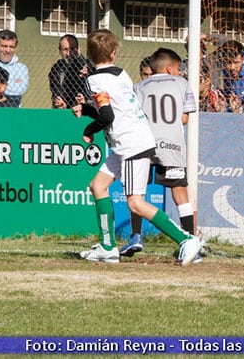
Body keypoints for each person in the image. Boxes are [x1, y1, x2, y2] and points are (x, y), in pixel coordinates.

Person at [72, 29, 201, 265]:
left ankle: (186, 239)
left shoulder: (94, 80)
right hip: (128, 143)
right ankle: (108, 247)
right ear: (113, 54)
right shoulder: (121, 74)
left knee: (135, 203)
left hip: (131, 144)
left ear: (90, 55)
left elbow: (107, 116)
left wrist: (88, 131)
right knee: (98, 186)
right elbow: (114, 109)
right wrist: (88, 109)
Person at [123, 48, 199, 258]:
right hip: (172, 146)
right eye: (177, 68)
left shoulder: (139, 87)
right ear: (169, 68)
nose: (179, 72)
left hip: (143, 144)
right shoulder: (182, 84)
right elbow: (184, 119)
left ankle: (136, 236)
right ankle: (191, 241)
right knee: (179, 192)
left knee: (137, 192)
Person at [49, 34, 93, 109]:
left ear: (78, 49)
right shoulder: (56, 68)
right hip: (63, 106)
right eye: (65, 49)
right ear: (60, 50)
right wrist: (59, 100)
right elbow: (55, 89)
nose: (69, 53)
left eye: (72, 49)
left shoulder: (86, 67)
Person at [216, 40, 244, 113]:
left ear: (243, 60)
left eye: (236, 62)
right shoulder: (226, 69)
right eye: (228, 62)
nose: (232, 67)